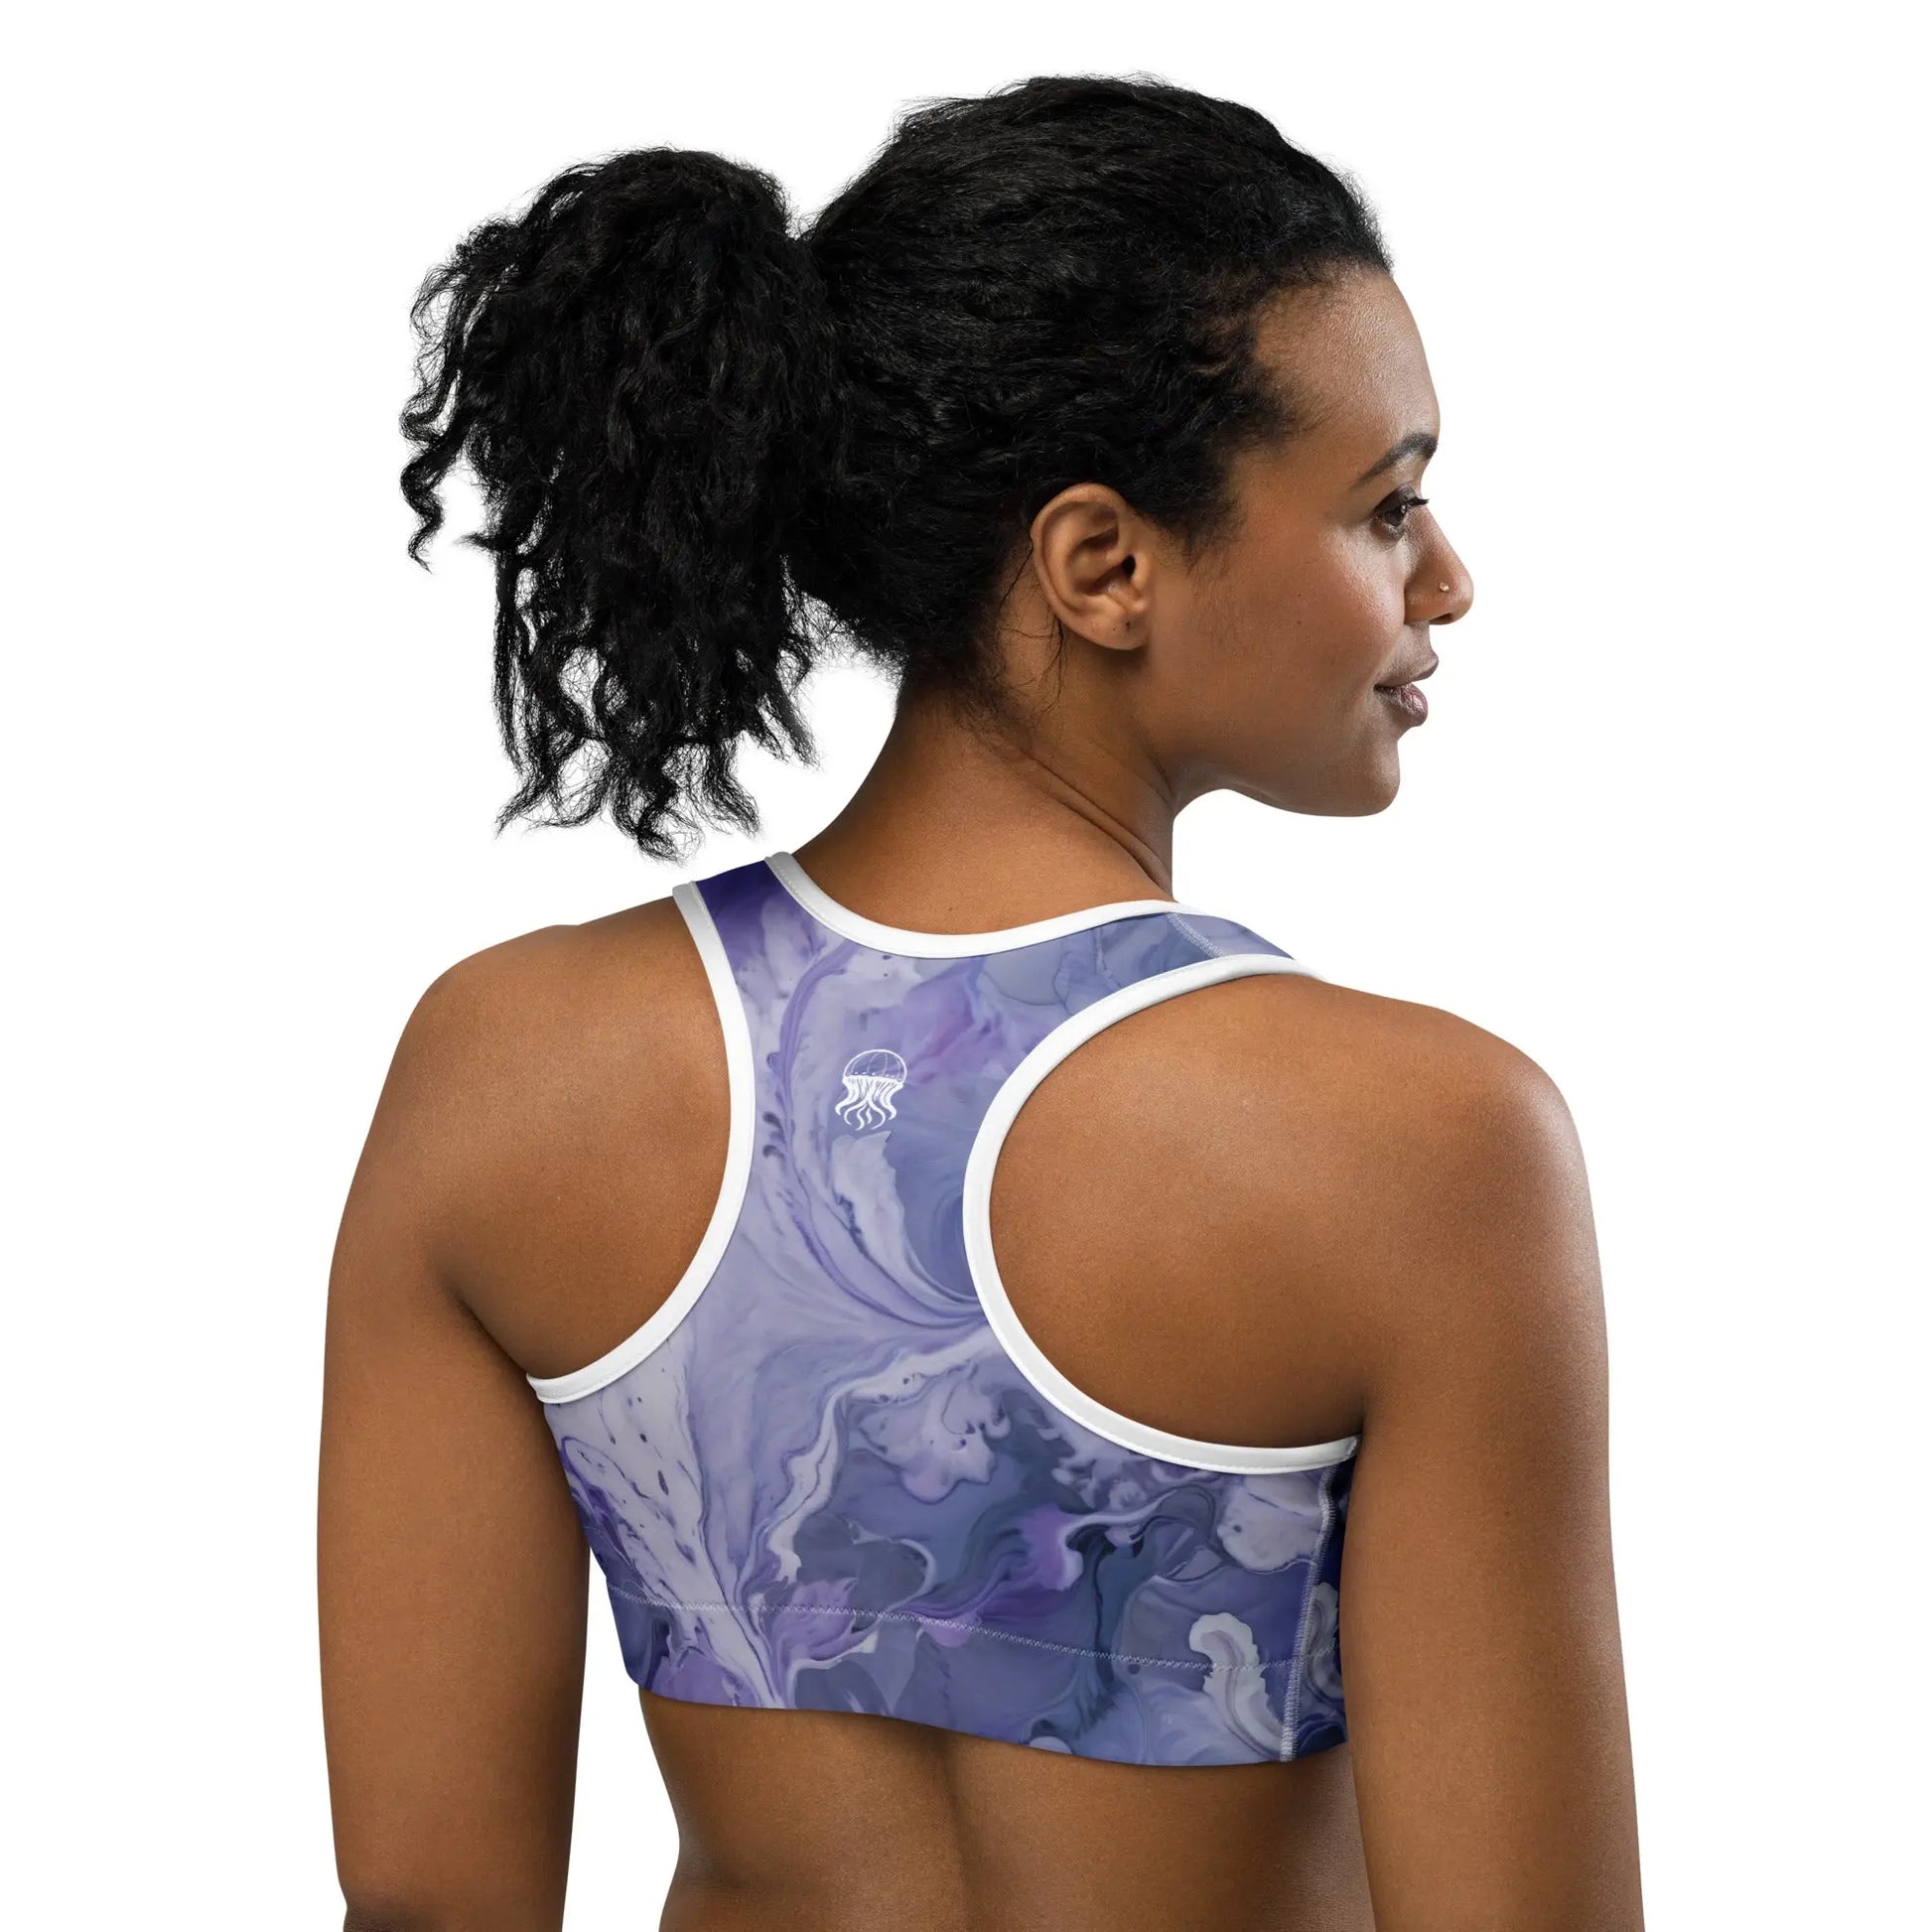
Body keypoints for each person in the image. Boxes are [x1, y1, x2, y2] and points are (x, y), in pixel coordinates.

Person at [318, 73, 1644, 1932]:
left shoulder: (506, 1066)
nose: (1446, 578)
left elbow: (428, 1902)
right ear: (1104, 565)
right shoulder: (1423, 1145)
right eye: (1385, 506)